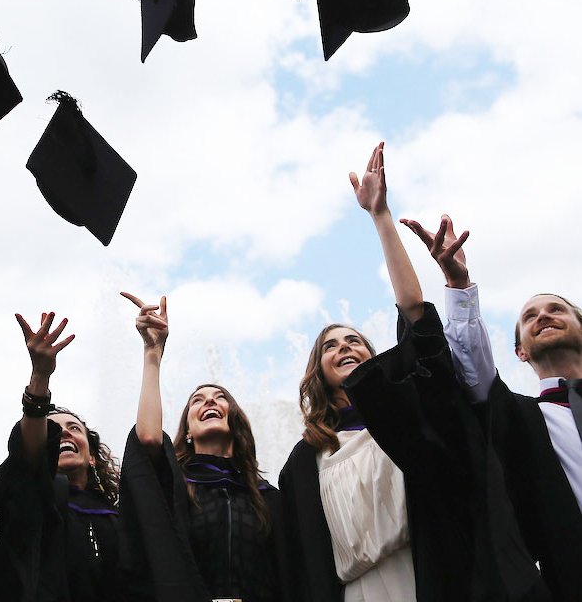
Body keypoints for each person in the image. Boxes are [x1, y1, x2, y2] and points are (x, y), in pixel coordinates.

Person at [278, 143, 546, 602]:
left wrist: (380, 217)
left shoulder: (404, 419)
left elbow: (418, 322)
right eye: (331, 346)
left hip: (430, 575)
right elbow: (299, 561)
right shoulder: (305, 461)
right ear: (317, 371)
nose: (344, 347)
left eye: (354, 340)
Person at [401, 213, 582, 595]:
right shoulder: (523, 418)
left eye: (556, 309)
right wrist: (458, 283)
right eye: (529, 316)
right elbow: (472, 370)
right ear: (520, 351)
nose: (543, 315)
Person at [121, 292, 284, 602]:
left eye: (219, 398)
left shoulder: (268, 500)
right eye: (197, 400)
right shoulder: (177, 491)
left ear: (235, 423)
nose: (209, 400)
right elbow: (149, 440)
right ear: (189, 432)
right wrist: (152, 352)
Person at [0, 311, 128, 602]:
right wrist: (40, 377)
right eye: (54, 432)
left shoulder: (119, 518)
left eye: (74, 429)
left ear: (93, 457)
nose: (65, 435)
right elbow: (28, 460)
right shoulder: (34, 502)